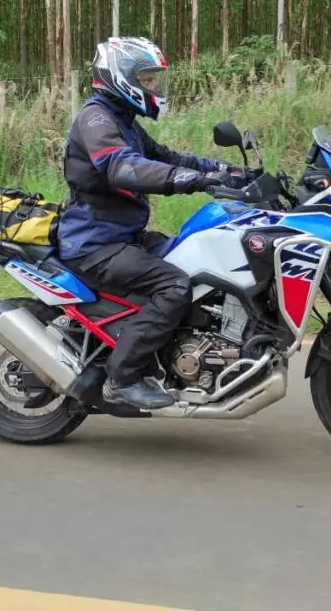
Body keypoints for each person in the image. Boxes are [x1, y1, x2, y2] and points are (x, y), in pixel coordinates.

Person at [56, 37, 248, 410]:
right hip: (95, 244)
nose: (153, 87)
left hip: (121, 236)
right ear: (119, 77)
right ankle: (122, 378)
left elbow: (167, 157)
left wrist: (227, 172)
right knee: (174, 285)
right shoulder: (96, 119)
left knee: (196, 264)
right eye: (146, 79)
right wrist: (194, 181)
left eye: (154, 79)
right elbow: (122, 167)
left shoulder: (122, 120)